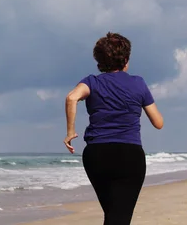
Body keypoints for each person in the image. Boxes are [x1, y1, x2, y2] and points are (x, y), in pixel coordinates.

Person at [63, 32, 164, 225]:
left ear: (99, 61)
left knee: (113, 214)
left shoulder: (91, 82)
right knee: (119, 218)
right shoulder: (138, 83)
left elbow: (71, 98)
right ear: (126, 59)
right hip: (129, 155)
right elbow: (158, 123)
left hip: (96, 155)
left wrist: (70, 132)